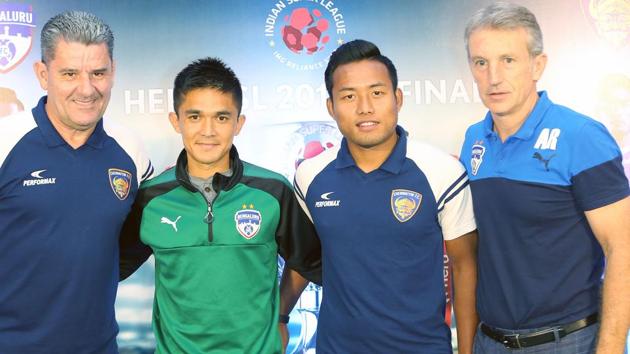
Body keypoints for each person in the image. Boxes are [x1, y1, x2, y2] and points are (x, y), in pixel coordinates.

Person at [283, 39, 479, 353]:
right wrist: (280, 316)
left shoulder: (441, 171)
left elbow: (465, 268)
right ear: (331, 107)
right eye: (349, 96)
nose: (365, 107)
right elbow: (304, 258)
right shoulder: (310, 175)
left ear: (397, 98)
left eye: (377, 92)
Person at [118, 57, 321, 353]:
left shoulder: (273, 191)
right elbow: (106, 268)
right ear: (176, 121)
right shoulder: (151, 198)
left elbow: (307, 261)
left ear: (239, 123)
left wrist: (281, 316)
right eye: (195, 116)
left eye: (222, 117)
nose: (208, 131)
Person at [460, 3, 630, 353]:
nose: (494, 77)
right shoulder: (474, 139)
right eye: (481, 62)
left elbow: (623, 248)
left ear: (538, 65)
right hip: (488, 341)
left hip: (565, 342)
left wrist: (611, 348)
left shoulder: (581, 136)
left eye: (508, 60)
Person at [0, 11, 153, 353]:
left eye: (98, 73)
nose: (87, 89)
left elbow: (138, 236)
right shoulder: (5, 141)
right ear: (43, 74)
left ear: (112, 72)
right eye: (69, 73)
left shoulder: (129, 148)